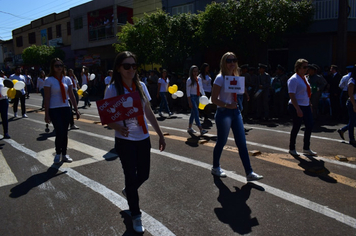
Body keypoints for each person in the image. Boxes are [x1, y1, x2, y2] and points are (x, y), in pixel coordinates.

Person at [104, 51, 166, 234]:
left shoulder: (141, 87)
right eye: (126, 66)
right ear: (118, 68)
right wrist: (117, 127)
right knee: (130, 176)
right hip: (125, 141)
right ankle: (136, 215)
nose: (131, 69)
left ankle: (129, 190)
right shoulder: (113, 89)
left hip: (143, 138)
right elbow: (107, 118)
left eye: (134, 65)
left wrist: (160, 135)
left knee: (144, 175)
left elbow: (148, 112)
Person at [211, 52, 263, 181]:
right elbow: (213, 99)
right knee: (221, 141)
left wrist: (243, 95)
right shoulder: (220, 78)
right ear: (224, 62)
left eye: (234, 60)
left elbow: (238, 93)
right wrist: (227, 105)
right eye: (229, 60)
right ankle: (215, 167)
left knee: (242, 143)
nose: (232, 63)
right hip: (224, 112)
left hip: (236, 112)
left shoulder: (236, 76)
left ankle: (249, 172)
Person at [44, 58, 80, 164]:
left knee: (65, 132)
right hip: (54, 109)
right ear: (52, 67)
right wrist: (47, 114)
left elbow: (71, 95)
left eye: (61, 65)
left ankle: (64, 154)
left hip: (65, 108)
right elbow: (46, 98)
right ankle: (58, 153)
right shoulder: (49, 80)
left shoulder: (67, 79)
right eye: (56, 65)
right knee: (59, 132)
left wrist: (76, 109)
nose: (59, 67)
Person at [287, 59, 317, 156]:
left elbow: (306, 93)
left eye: (307, 67)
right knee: (296, 126)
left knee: (309, 125)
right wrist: (297, 109)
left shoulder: (304, 78)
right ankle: (292, 148)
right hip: (297, 105)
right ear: (298, 68)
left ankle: (306, 148)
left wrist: (309, 104)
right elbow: (292, 94)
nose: (306, 69)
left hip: (305, 105)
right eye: (304, 67)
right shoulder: (294, 79)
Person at [186, 65, 208, 135]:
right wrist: (189, 101)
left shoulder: (199, 79)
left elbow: (201, 88)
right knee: (196, 112)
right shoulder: (189, 80)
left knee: (193, 113)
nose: (195, 73)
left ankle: (189, 128)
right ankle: (201, 129)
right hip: (192, 97)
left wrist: (204, 95)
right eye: (194, 71)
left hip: (198, 97)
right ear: (191, 72)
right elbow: (188, 91)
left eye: (196, 71)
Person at [337, 65, 356, 145]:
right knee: (352, 121)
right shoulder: (352, 80)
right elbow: (350, 94)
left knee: (354, 121)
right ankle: (351, 138)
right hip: (353, 102)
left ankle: (343, 130)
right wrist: (354, 105)